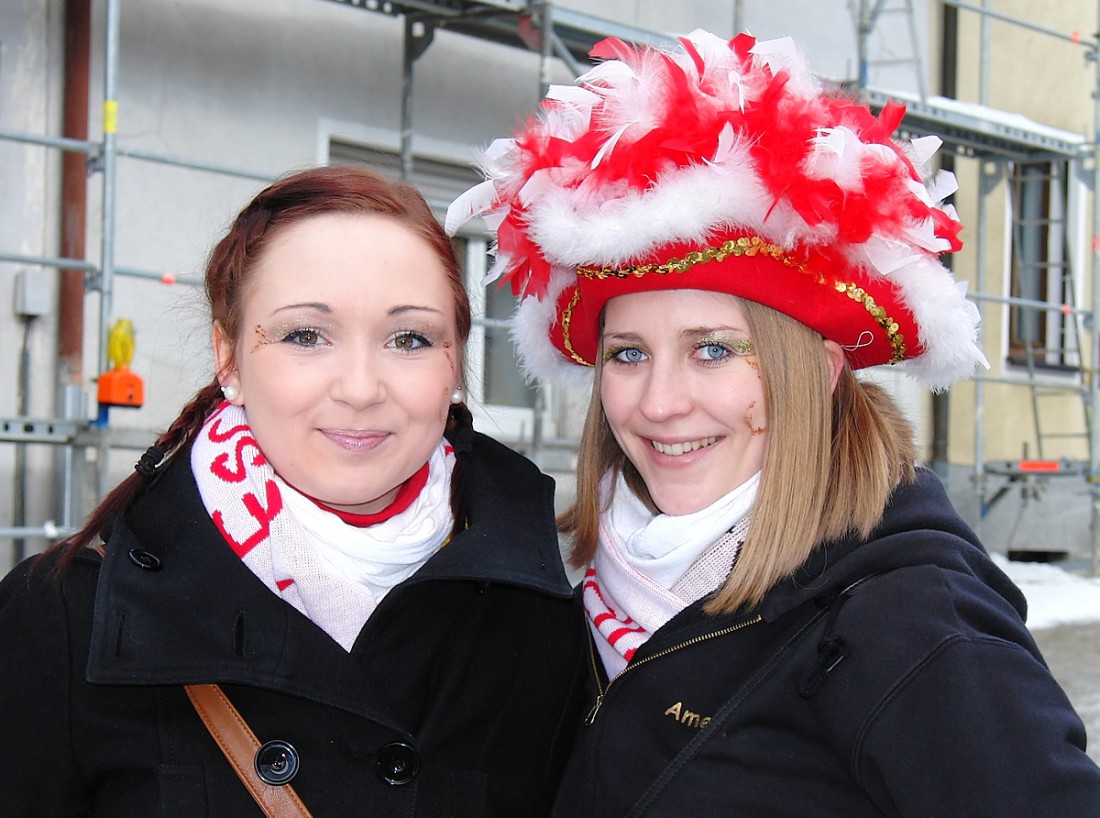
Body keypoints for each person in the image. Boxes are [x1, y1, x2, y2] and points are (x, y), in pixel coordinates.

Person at [447, 30, 1100, 816]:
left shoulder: (908, 622)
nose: (659, 403)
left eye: (714, 351)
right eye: (627, 356)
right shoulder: (593, 596)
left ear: (819, 375)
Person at [0, 165, 586, 817]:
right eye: (306, 335)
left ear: (454, 362)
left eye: (409, 338)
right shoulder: (65, 621)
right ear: (230, 360)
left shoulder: (545, 622)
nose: (361, 388)